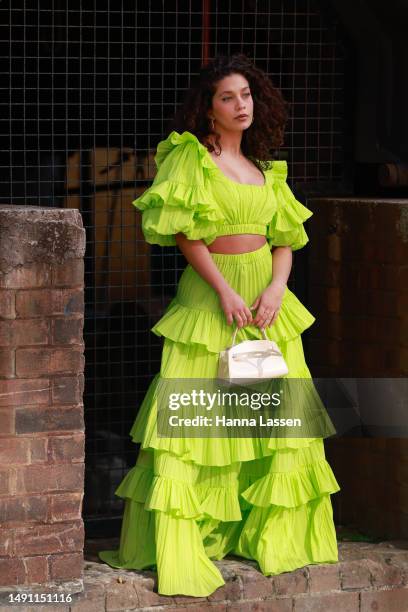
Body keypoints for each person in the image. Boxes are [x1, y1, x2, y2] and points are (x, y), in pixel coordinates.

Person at [98, 53, 341, 597]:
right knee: (196, 420)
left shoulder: (264, 169)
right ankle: (192, 541)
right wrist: (226, 290)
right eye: (228, 97)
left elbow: (285, 239)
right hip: (212, 295)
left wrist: (277, 287)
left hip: (267, 298)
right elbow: (186, 235)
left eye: (247, 95)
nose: (241, 105)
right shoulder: (191, 157)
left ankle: (266, 535)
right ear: (208, 110)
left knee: (274, 412)